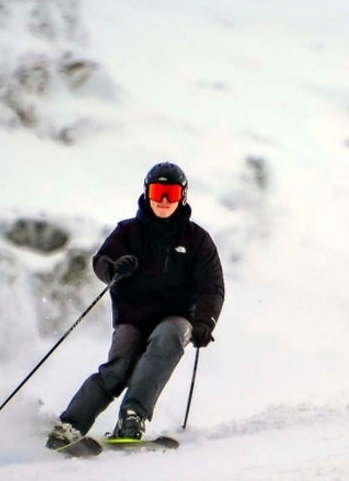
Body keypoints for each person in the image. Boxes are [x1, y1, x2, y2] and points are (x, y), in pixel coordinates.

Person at [46, 162, 225, 449]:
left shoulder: (197, 240)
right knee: (119, 370)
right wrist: (113, 269)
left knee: (169, 338)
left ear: (183, 196)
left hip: (175, 318)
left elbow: (211, 286)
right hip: (132, 318)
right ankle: (69, 426)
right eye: (157, 192)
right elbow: (101, 261)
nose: (163, 201)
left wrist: (206, 322)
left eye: (170, 193)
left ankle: (132, 417)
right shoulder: (128, 232)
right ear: (147, 193)